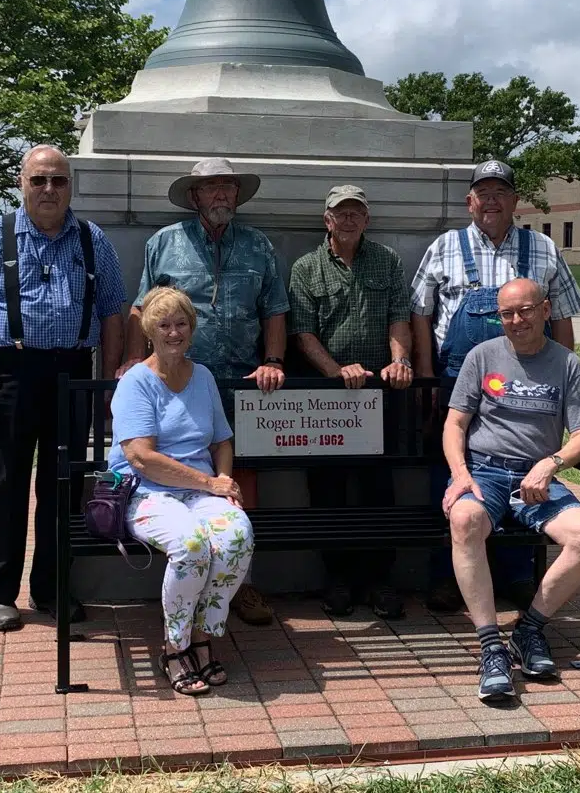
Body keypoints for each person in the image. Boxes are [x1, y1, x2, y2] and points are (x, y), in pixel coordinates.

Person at [0, 145, 126, 632]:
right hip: (10, 372)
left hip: (72, 374)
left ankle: (51, 589)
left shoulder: (92, 240)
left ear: (72, 187)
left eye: (59, 181)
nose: (49, 190)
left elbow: (113, 313)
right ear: (22, 184)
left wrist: (106, 382)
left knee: (62, 487)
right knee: (5, 484)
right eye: (39, 180)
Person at [410, 159, 580, 613]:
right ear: (469, 201)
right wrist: (428, 377)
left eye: (500, 192)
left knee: (523, 464)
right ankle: (448, 577)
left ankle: (518, 574)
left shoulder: (543, 248)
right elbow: (420, 312)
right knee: (450, 474)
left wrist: (564, 376)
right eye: (482, 192)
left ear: (514, 201)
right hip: (455, 379)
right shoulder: (446, 246)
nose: (491, 200)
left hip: (529, 380)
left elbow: (562, 316)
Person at [121, 157, 289, 626]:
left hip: (244, 382)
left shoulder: (258, 245)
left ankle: (241, 583)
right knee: (178, 468)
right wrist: (136, 361)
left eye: (228, 189)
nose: (220, 196)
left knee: (242, 477)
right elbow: (141, 308)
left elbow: (275, 308)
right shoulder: (164, 243)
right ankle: (193, 577)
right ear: (194, 197)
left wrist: (273, 362)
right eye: (211, 188)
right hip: (177, 382)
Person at [442, 278, 580, 700]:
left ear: (545, 310)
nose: (516, 321)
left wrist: (549, 465)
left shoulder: (567, 363)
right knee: (465, 518)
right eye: (507, 313)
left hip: (538, 479)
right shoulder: (482, 356)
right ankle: (490, 647)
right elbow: (455, 424)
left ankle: (529, 629)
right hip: (485, 473)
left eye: (525, 311)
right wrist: (461, 474)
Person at [111, 287, 253, 695]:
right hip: (147, 493)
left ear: (191, 329)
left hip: (202, 492)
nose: (174, 332)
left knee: (236, 536)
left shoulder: (203, 376)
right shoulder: (136, 382)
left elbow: (222, 441)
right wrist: (211, 482)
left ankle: (204, 635)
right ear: (149, 332)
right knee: (191, 544)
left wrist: (223, 487)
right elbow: (141, 457)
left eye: (181, 324)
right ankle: (174, 646)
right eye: (164, 325)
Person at [287, 185, 415, 619]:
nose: (348, 219)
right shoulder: (305, 268)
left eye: (356, 212)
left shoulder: (388, 260)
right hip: (326, 398)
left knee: (379, 488)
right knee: (328, 489)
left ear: (367, 219)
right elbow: (303, 333)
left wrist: (400, 361)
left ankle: (380, 579)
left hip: (379, 395)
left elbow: (400, 315)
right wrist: (335, 372)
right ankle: (336, 577)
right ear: (327, 220)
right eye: (341, 213)